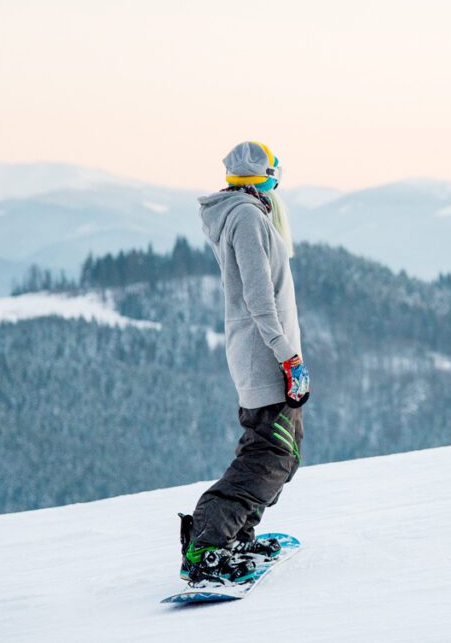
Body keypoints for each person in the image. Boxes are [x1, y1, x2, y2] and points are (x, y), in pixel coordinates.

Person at [177, 141, 310, 585]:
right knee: (267, 455)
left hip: (271, 354)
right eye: (274, 169)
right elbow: (259, 296)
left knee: (283, 455)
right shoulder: (248, 217)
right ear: (259, 172)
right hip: (265, 357)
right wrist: (286, 355)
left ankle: (234, 534)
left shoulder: (248, 212)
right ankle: (208, 545)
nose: (278, 177)